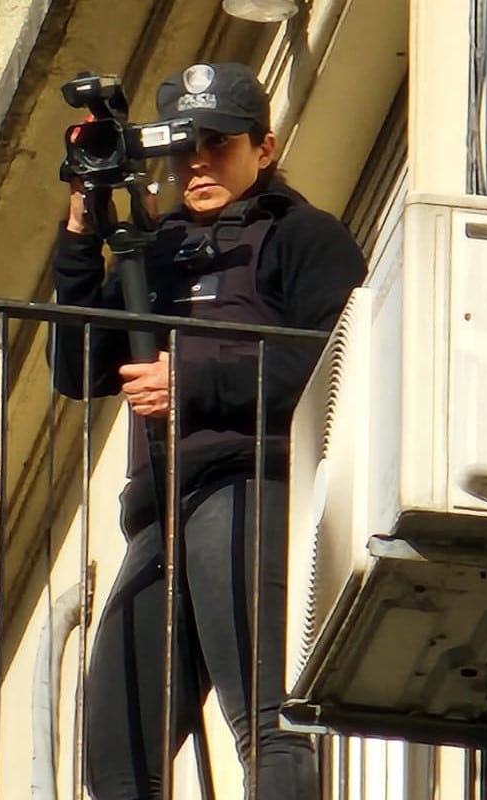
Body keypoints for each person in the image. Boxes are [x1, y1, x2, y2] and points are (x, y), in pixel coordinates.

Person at [51, 62, 367, 799]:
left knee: (265, 720)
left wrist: (190, 385)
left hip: (246, 484)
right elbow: (72, 369)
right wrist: (78, 234)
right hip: (158, 515)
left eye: (217, 143)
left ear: (264, 146)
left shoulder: (303, 235)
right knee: (117, 762)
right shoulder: (153, 254)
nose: (197, 162)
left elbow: (334, 361)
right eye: (182, 147)